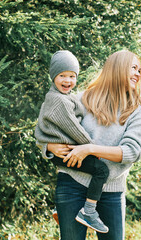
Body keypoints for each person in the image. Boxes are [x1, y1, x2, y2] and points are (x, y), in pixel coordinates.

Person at [44, 50, 141, 240]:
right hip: (72, 183)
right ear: (117, 69)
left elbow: (132, 151)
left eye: (140, 70)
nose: (138, 74)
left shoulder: (136, 110)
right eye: (133, 68)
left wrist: (90, 149)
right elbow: (52, 125)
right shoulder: (82, 99)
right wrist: (48, 147)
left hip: (112, 189)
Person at [35, 50, 111, 233]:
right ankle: (89, 211)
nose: (67, 81)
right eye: (62, 76)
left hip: (61, 149)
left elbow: (39, 127)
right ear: (53, 76)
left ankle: (61, 209)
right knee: (101, 170)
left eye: (72, 76)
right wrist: (92, 148)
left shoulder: (62, 97)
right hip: (64, 150)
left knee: (88, 172)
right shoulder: (58, 100)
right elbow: (73, 128)